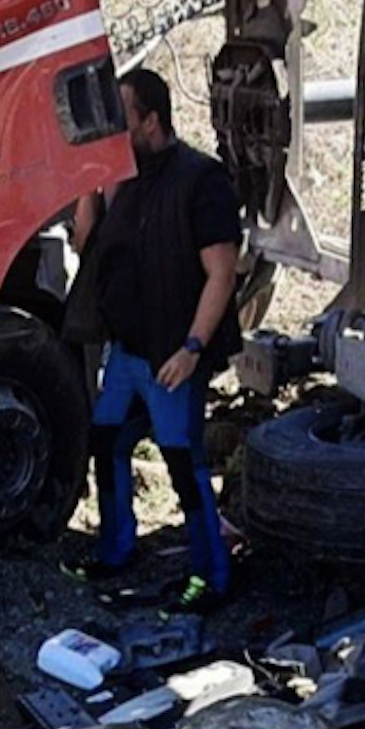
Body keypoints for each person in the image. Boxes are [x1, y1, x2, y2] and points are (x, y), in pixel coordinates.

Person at [70, 67, 242, 614]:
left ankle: (210, 576)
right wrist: (90, 181)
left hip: (173, 354)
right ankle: (117, 548)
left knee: (182, 462)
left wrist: (193, 349)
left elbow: (222, 272)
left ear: (151, 119)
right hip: (128, 351)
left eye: (124, 120)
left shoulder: (201, 180)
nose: (116, 131)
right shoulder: (126, 178)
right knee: (107, 441)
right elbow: (84, 245)